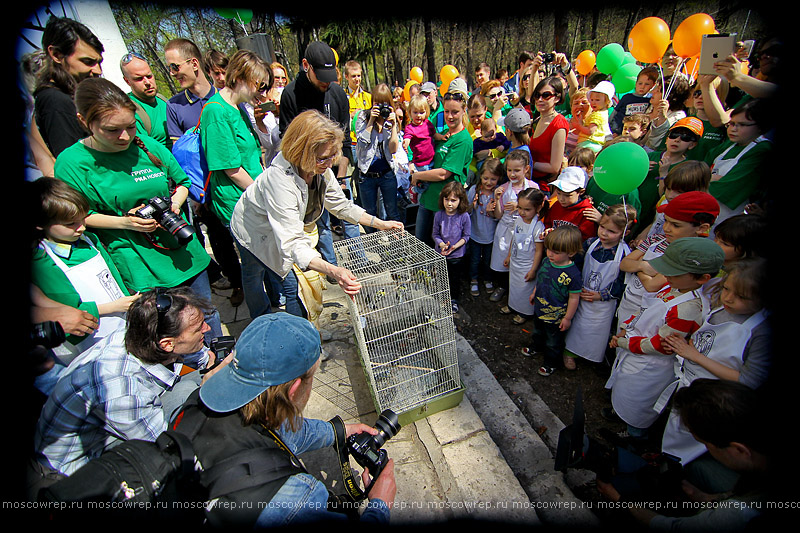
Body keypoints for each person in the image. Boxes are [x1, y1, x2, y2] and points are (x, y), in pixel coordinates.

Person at [174, 313, 396, 526]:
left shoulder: (195, 403)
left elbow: (283, 432)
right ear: (295, 390)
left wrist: (338, 432)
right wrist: (380, 505)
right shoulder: (295, 499)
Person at [53, 78, 221, 339]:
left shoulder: (146, 145)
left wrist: (175, 203)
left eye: (130, 127)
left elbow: (183, 182)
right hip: (139, 261)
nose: (124, 137)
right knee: (169, 330)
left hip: (182, 247)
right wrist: (127, 223)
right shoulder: (72, 163)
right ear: (84, 121)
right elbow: (79, 216)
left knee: (205, 316)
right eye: (112, 130)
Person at [32, 287, 228, 480]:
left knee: (191, 385)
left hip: (114, 424)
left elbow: (195, 356)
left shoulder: (142, 335)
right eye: (198, 328)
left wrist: (212, 364)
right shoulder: (122, 391)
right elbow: (167, 446)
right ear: (167, 344)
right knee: (191, 397)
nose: (207, 329)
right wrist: (207, 392)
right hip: (79, 468)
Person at [230, 110, 403, 320]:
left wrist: (380, 224)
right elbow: (292, 244)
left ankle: (297, 326)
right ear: (302, 152)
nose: (330, 164)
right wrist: (334, 270)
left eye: (332, 156)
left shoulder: (321, 168)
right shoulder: (279, 181)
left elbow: (341, 205)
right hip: (253, 231)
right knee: (263, 277)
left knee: (290, 279)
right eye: (323, 158)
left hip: (284, 230)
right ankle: (269, 326)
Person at [598, 378, 772, 531]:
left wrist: (619, 499)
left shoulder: (740, 513)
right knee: (697, 467)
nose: (706, 448)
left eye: (706, 444)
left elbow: (673, 527)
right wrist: (706, 497)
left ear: (739, 450)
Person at [606, 237, 724, 445]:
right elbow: (644, 308)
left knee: (640, 402)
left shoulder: (688, 308)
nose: (666, 274)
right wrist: (626, 328)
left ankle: (636, 438)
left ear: (702, 278)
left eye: (674, 271)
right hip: (635, 350)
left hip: (651, 365)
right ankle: (622, 414)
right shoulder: (672, 287)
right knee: (626, 390)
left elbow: (660, 345)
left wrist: (623, 342)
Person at [660, 258, 772, 474]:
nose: (728, 298)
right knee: (674, 429)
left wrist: (694, 355)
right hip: (689, 381)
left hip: (712, 400)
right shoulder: (722, 308)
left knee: (691, 443)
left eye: (742, 297)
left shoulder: (761, 333)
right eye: (727, 289)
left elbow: (747, 381)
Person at [30, 177, 138, 364]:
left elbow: (113, 277)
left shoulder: (90, 240)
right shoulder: (42, 261)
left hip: (122, 320)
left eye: (83, 219)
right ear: (40, 223)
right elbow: (67, 310)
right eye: (70, 224)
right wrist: (115, 306)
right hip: (92, 338)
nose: (81, 228)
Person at [279, 41, 357, 265]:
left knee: (346, 212)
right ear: (306, 66)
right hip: (306, 175)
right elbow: (289, 144)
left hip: (335, 170)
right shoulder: (291, 95)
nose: (326, 81)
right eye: (321, 75)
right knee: (320, 221)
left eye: (329, 75)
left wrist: (340, 176)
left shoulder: (338, 94)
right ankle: (330, 265)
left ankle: (358, 258)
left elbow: (345, 140)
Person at [616, 191, 720, 326]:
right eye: (665, 221)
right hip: (628, 304)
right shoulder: (656, 240)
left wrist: (638, 265)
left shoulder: (692, 257)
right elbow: (624, 263)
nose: (666, 228)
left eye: (676, 225)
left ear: (702, 228)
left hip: (655, 317)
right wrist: (645, 267)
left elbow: (652, 286)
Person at [199, 49, 268, 227]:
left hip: (255, 197)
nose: (262, 93)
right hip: (240, 205)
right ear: (239, 78)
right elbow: (232, 169)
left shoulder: (239, 107)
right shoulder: (216, 111)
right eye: (259, 86)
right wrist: (262, 196)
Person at [564, 203, 636, 367]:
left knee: (597, 331)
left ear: (625, 233)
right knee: (577, 325)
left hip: (604, 303)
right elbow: (577, 265)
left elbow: (622, 281)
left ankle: (591, 355)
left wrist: (602, 295)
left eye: (611, 231)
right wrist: (576, 285)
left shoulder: (625, 254)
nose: (604, 233)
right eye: (602, 227)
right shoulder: (590, 244)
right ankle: (569, 352)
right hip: (582, 294)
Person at [33, 16, 103, 158]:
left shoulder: (74, 95)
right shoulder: (55, 100)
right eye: (87, 61)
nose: (98, 71)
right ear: (57, 55)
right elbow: (74, 164)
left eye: (98, 62)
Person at [411, 91, 473, 247]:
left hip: (445, 206)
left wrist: (418, 175)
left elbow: (444, 174)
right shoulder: (444, 134)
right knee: (420, 245)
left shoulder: (463, 140)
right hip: (427, 199)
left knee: (441, 251)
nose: (450, 116)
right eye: (447, 111)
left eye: (455, 112)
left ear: (463, 111)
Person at [703, 98, 774, 227]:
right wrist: (712, 178)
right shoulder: (730, 144)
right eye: (731, 124)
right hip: (705, 209)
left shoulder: (761, 149)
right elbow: (700, 169)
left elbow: (728, 187)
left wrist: (705, 178)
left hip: (730, 217)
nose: (733, 129)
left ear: (760, 127)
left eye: (741, 124)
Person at [523, 225, 583, 377]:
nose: (550, 254)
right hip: (539, 308)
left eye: (556, 252)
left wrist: (567, 318)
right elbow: (541, 280)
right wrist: (534, 293)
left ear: (571, 252)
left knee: (553, 341)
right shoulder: (547, 262)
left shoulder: (573, 274)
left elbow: (574, 297)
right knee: (537, 331)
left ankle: (550, 363)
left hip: (556, 317)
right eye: (548, 249)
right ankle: (536, 346)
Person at [488, 150, 537, 303]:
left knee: (520, 260)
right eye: (509, 170)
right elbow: (498, 215)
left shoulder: (533, 188)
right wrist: (496, 199)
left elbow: (538, 208)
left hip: (524, 230)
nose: (512, 174)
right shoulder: (503, 189)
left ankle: (517, 290)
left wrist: (520, 206)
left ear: (526, 170)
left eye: (516, 170)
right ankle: (503, 286)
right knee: (503, 259)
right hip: (506, 229)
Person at [640, 117, 704, 231]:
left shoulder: (686, 168)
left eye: (685, 137)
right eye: (674, 134)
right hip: (637, 207)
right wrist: (638, 169)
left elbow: (667, 196)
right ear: (667, 138)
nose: (677, 140)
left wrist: (664, 173)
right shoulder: (649, 156)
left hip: (656, 217)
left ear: (692, 145)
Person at [354, 83, 403, 229]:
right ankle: (374, 245)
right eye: (378, 103)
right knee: (369, 214)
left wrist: (393, 126)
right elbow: (362, 145)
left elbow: (393, 149)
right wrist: (371, 121)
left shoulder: (391, 119)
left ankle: (397, 245)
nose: (381, 107)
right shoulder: (363, 117)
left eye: (385, 104)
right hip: (367, 174)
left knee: (392, 212)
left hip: (387, 173)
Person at [500, 188, 547, 324]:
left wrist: (533, 270)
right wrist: (509, 256)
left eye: (527, 209)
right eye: (520, 208)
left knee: (525, 289)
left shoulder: (538, 227)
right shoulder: (518, 221)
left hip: (527, 265)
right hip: (516, 261)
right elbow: (514, 240)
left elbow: (538, 250)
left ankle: (524, 312)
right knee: (514, 286)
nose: (522, 212)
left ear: (537, 208)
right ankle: (512, 305)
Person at [164, 38, 218, 142]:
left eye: (174, 67)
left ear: (194, 64)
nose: (172, 73)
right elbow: (180, 151)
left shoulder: (227, 97)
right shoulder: (174, 106)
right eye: (169, 69)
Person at [433, 182, 472, 314]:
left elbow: (466, 236)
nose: (449, 203)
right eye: (447, 199)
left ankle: (454, 300)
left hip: (457, 255)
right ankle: (443, 298)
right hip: (441, 254)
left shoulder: (464, 216)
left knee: (454, 279)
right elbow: (435, 234)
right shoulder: (439, 215)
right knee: (442, 277)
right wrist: (441, 244)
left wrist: (455, 247)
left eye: (453, 200)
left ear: (460, 201)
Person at [120, 52, 171, 150]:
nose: (147, 82)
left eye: (149, 76)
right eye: (139, 79)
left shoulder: (163, 100)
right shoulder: (129, 110)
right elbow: (145, 152)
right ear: (127, 81)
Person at [528, 76, 569, 192]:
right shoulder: (536, 121)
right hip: (528, 179)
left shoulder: (558, 125)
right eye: (537, 95)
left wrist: (529, 162)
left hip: (543, 187)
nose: (540, 99)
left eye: (546, 95)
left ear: (557, 98)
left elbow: (554, 167)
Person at [467, 158, 502, 296]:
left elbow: (498, 216)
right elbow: (466, 212)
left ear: (498, 178)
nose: (488, 182)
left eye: (493, 179)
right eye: (485, 178)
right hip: (475, 233)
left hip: (491, 235)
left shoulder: (497, 194)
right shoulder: (473, 191)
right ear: (480, 176)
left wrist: (490, 211)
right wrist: (473, 206)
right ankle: (473, 279)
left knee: (488, 260)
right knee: (475, 259)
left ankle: (488, 279)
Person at [542, 166, 598, 242]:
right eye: (558, 193)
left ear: (581, 192)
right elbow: (548, 223)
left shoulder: (586, 212)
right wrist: (547, 231)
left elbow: (587, 238)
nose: (561, 199)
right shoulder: (556, 205)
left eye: (567, 195)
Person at [403, 94, 436, 202]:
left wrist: (443, 137)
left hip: (431, 159)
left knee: (431, 184)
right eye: (415, 112)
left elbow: (434, 135)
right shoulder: (410, 128)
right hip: (421, 163)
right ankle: (415, 190)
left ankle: (418, 188)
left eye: (421, 112)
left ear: (426, 112)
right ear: (410, 112)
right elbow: (407, 137)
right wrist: (406, 142)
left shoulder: (428, 124)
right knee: (426, 184)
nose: (418, 115)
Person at [646, 75, 692, 151]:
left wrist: (662, 119)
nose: (652, 92)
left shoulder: (677, 117)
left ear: (670, 96)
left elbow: (657, 143)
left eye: (658, 90)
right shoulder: (648, 108)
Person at [608, 66, 658, 136]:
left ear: (653, 85)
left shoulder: (650, 100)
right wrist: (611, 128)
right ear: (636, 82)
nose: (642, 87)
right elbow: (615, 112)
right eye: (640, 83)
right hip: (619, 130)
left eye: (647, 84)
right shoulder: (627, 97)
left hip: (636, 132)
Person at [575, 80, 615, 153]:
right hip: (595, 144)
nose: (593, 102)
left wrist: (579, 126)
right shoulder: (603, 113)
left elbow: (590, 130)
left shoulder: (598, 115)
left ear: (607, 102)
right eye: (592, 99)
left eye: (597, 100)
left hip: (588, 143)